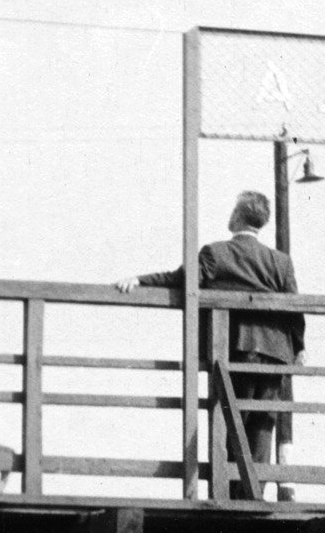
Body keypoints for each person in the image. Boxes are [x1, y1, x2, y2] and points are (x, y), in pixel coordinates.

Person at [115, 190, 304, 496]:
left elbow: (180, 278)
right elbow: (294, 307)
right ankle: (253, 497)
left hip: (236, 348)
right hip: (276, 353)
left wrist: (140, 280)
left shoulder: (216, 254)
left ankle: (229, 496)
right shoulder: (281, 262)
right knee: (262, 426)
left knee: (232, 423)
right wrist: (300, 346)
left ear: (238, 216)